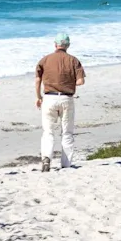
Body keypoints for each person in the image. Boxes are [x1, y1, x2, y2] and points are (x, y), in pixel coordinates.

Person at [35, 33, 86, 172]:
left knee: (48, 131)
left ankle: (46, 158)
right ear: (68, 45)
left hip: (49, 97)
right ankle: (66, 163)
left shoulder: (44, 60)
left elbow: (38, 79)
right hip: (66, 97)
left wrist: (38, 96)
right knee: (67, 132)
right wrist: (72, 81)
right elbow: (80, 81)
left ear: (55, 44)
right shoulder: (74, 61)